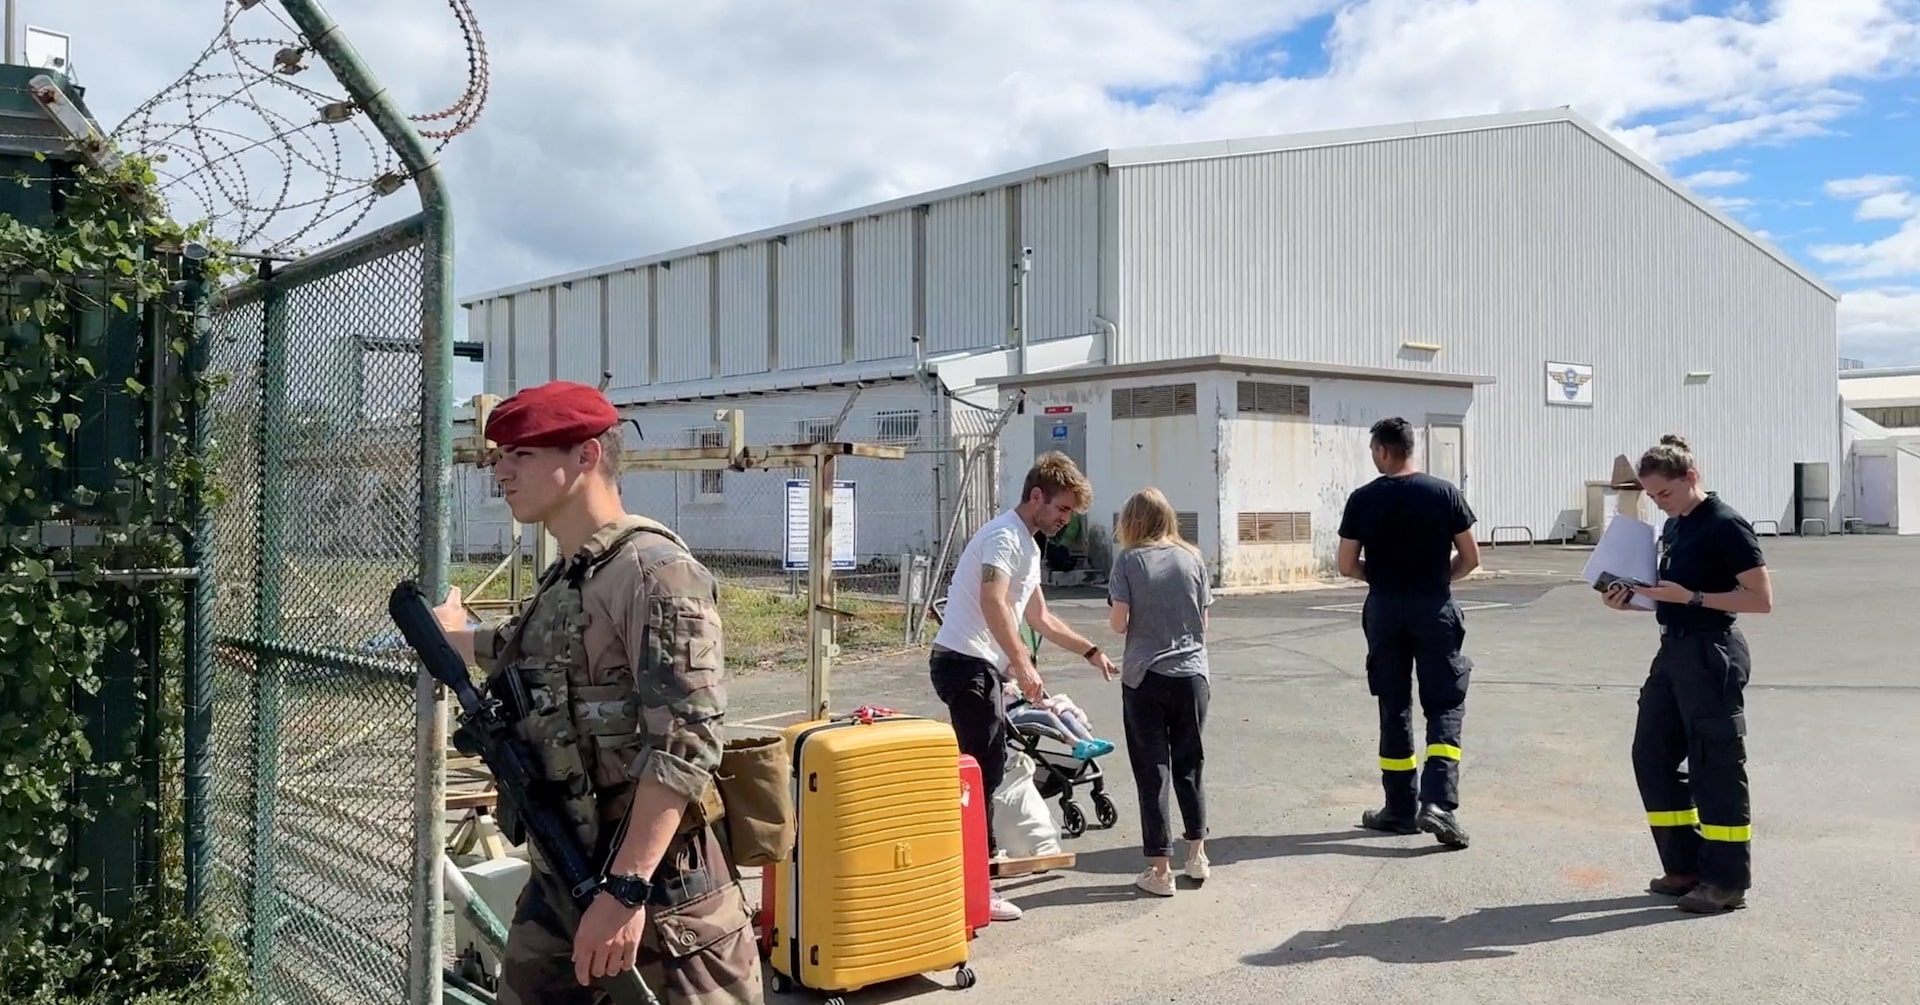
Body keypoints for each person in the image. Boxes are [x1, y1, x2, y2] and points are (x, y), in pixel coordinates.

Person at [429, 380, 762, 1004]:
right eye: (500, 454)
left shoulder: (656, 571)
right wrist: (459, 636)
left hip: (662, 892)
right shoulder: (577, 571)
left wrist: (625, 890)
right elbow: (533, 650)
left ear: (584, 456)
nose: (500, 470)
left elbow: (686, 742)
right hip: (563, 875)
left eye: (521, 453)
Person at [928, 450, 1118, 922]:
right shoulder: (1003, 537)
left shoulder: (1029, 547)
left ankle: (968, 874)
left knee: (984, 771)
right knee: (984, 773)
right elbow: (992, 601)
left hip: (980, 668)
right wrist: (1020, 662)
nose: (1065, 520)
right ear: (1037, 496)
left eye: (1070, 513)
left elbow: (1041, 618)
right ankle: (976, 885)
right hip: (964, 664)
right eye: (1061, 509)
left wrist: (1090, 651)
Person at [1601, 434, 1770, 915]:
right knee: (1651, 755)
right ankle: (1686, 866)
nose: (1659, 503)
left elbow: (1760, 599)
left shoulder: (1725, 524)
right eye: (1652, 497)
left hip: (1712, 651)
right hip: (1673, 650)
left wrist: (1692, 598)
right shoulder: (1675, 527)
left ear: (1691, 478)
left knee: (1714, 766)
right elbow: (1667, 594)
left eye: (1665, 494)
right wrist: (1630, 600)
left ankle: (1726, 881)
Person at [1336, 417, 1479, 850]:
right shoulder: (1444, 493)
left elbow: (1345, 564)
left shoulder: (1363, 499)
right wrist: (1437, 583)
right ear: (1411, 448)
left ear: (1382, 450)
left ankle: (1399, 808)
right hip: (1434, 607)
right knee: (1444, 704)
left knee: (1393, 705)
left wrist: (1380, 582)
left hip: (1384, 610)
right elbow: (1471, 557)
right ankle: (1438, 804)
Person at [1107, 487, 1215, 897]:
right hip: (1192, 675)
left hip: (1145, 676)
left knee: (1153, 770)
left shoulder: (1129, 561)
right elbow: (1204, 624)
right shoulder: (1193, 558)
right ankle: (1198, 854)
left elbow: (1119, 624)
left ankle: (1160, 869)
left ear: (1131, 522)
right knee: (1191, 764)